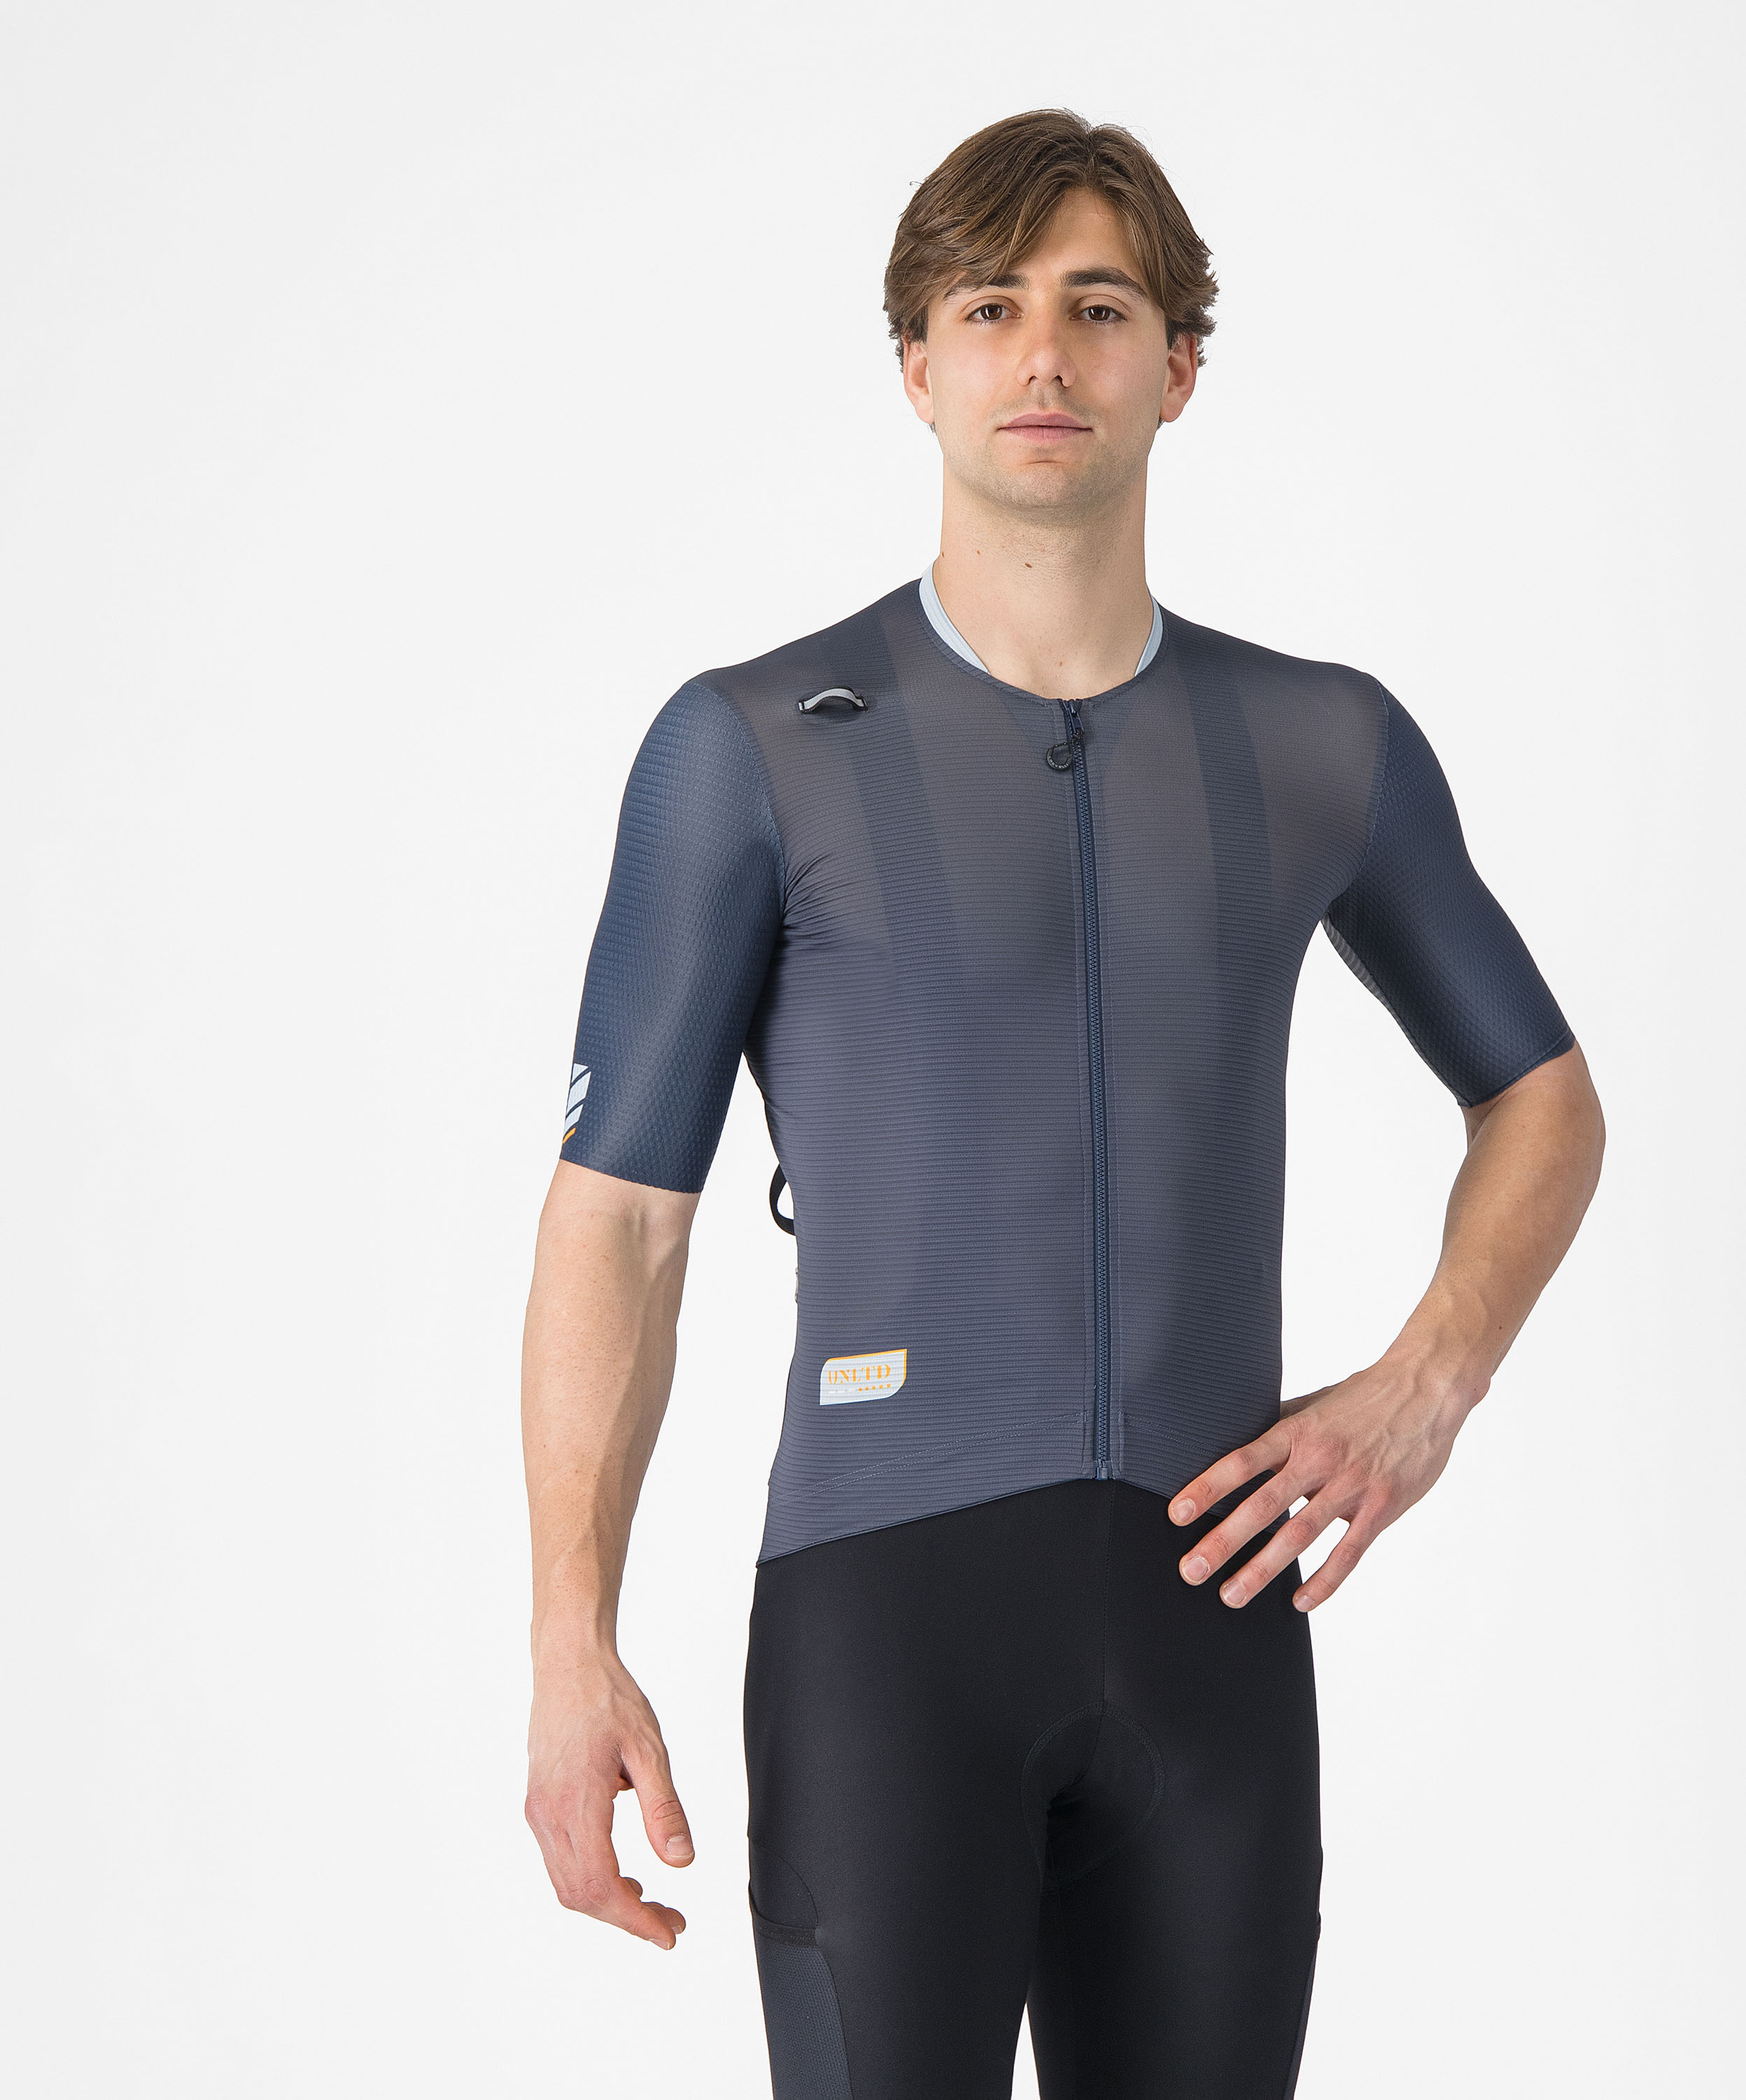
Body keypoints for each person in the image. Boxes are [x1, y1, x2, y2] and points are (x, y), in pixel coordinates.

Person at [521, 108, 1605, 2100]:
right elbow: (622, 1220)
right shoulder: (748, 747)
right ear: (915, 367)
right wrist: (568, 1643)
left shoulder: (1320, 740)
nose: (1043, 354)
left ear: (1179, 367)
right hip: (885, 1634)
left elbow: (1539, 1091)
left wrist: (1427, 1383)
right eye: (991, 307)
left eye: (1099, 309)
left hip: (1214, 1638)